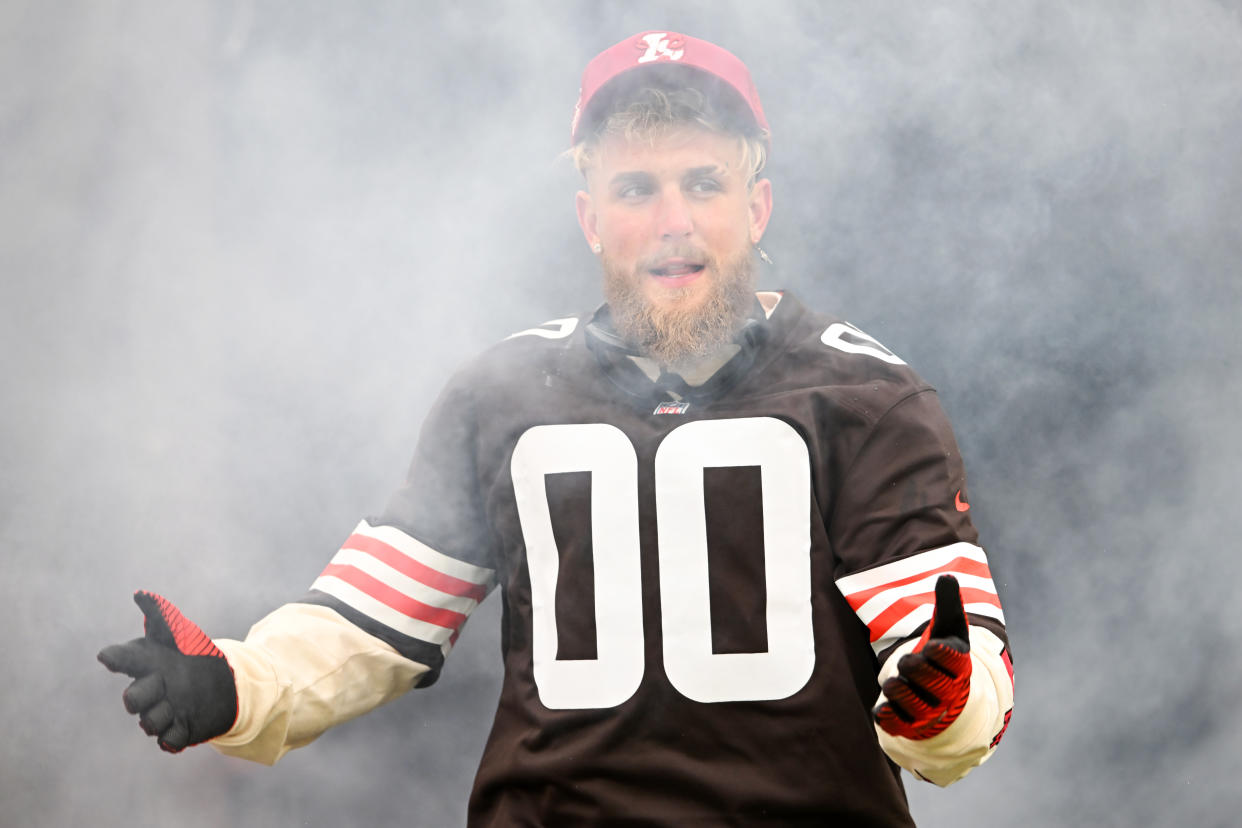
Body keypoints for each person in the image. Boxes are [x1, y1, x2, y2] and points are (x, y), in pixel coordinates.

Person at [99, 30, 1014, 826]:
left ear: (756, 207)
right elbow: (375, 624)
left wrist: (943, 706)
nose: (673, 223)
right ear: (589, 219)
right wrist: (235, 686)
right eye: (636, 189)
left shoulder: (866, 396)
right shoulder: (502, 395)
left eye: (704, 183)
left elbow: (953, 666)